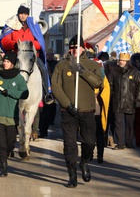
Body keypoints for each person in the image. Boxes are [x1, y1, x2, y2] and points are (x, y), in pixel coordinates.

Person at [51, 35, 103, 188]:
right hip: (68, 111)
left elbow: (97, 83)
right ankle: (72, 174)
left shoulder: (93, 65)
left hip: (87, 110)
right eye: (71, 47)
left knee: (89, 142)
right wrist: (67, 104)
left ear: (83, 48)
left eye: (77, 47)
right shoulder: (62, 65)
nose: (74, 50)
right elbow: (55, 86)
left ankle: (85, 162)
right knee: (70, 144)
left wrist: (83, 71)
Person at [0, 4, 53, 105]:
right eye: (21, 13)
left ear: (28, 14)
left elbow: (39, 43)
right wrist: (14, 44)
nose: (22, 16)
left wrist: (29, 45)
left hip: (31, 55)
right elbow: (4, 41)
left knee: (43, 68)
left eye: (25, 14)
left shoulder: (34, 25)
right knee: (2, 69)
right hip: (15, 54)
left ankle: (47, 92)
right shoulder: (11, 25)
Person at [108, 52, 140, 149]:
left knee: (130, 124)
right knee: (118, 123)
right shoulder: (114, 71)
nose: (121, 62)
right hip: (117, 101)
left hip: (130, 101)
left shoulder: (134, 72)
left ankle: (129, 142)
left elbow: (139, 87)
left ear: (127, 61)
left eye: (123, 60)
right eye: (120, 60)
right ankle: (120, 143)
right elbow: (110, 86)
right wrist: (110, 98)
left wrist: (138, 99)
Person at [39, 49, 59, 138]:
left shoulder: (56, 64)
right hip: (43, 89)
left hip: (53, 88)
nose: (50, 56)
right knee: (43, 112)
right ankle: (43, 130)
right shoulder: (43, 63)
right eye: (48, 54)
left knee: (52, 107)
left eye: (51, 54)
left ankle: (51, 121)